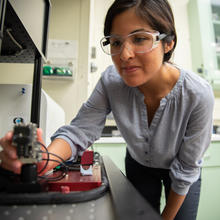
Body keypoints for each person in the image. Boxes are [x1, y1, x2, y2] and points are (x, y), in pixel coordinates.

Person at [0, 0, 214, 219]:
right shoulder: (111, 81)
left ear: (168, 43)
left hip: (182, 174)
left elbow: (186, 169)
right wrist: (41, 161)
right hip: (139, 164)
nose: (124, 55)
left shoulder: (197, 94)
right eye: (116, 42)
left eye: (139, 38)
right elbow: (79, 131)